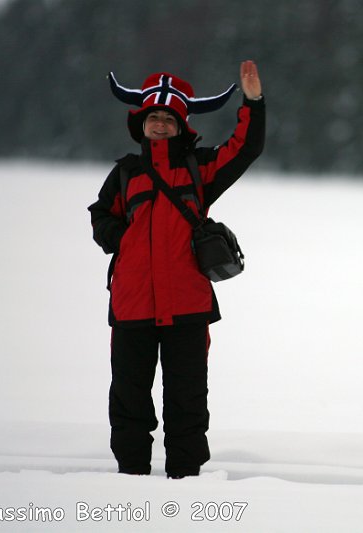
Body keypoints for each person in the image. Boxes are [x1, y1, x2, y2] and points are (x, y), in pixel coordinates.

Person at [88, 61, 265, 478]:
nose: (161, 125)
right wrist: (123, 241)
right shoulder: (125, 173)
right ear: (141, 124)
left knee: (187, 398)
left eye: (169, 119)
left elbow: (245, 148)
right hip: (132, 306)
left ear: (182, 125)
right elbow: (100, 216)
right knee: (129, 397)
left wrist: (253, 103)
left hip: (187, 304)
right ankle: (130, 475)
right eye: (154, 118)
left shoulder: (200, 169)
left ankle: (185, 478)